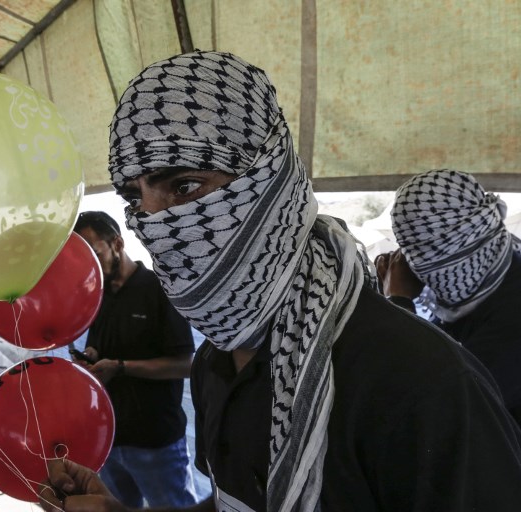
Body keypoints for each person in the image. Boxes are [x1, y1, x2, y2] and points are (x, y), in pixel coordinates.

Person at [38, 50, 521, 512]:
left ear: (271, 179)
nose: (155, 224)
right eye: (136, 199)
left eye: (184, 186)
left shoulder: (421, 384)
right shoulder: (215, 364)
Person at [70, 210, 198, 508]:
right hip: (109, 440)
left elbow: (186, 364)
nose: (89, 266)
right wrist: (90, 358)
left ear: (117, 243)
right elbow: (100, 349)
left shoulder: (159, 289)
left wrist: (121, 368)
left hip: (155, 443)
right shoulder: (96, 295)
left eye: (94, 253)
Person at [376, 168, 521, 425]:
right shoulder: (484, 273)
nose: (407, 262)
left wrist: (398, 303)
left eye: (416, 251)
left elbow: (429, 409)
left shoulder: (511, 318)